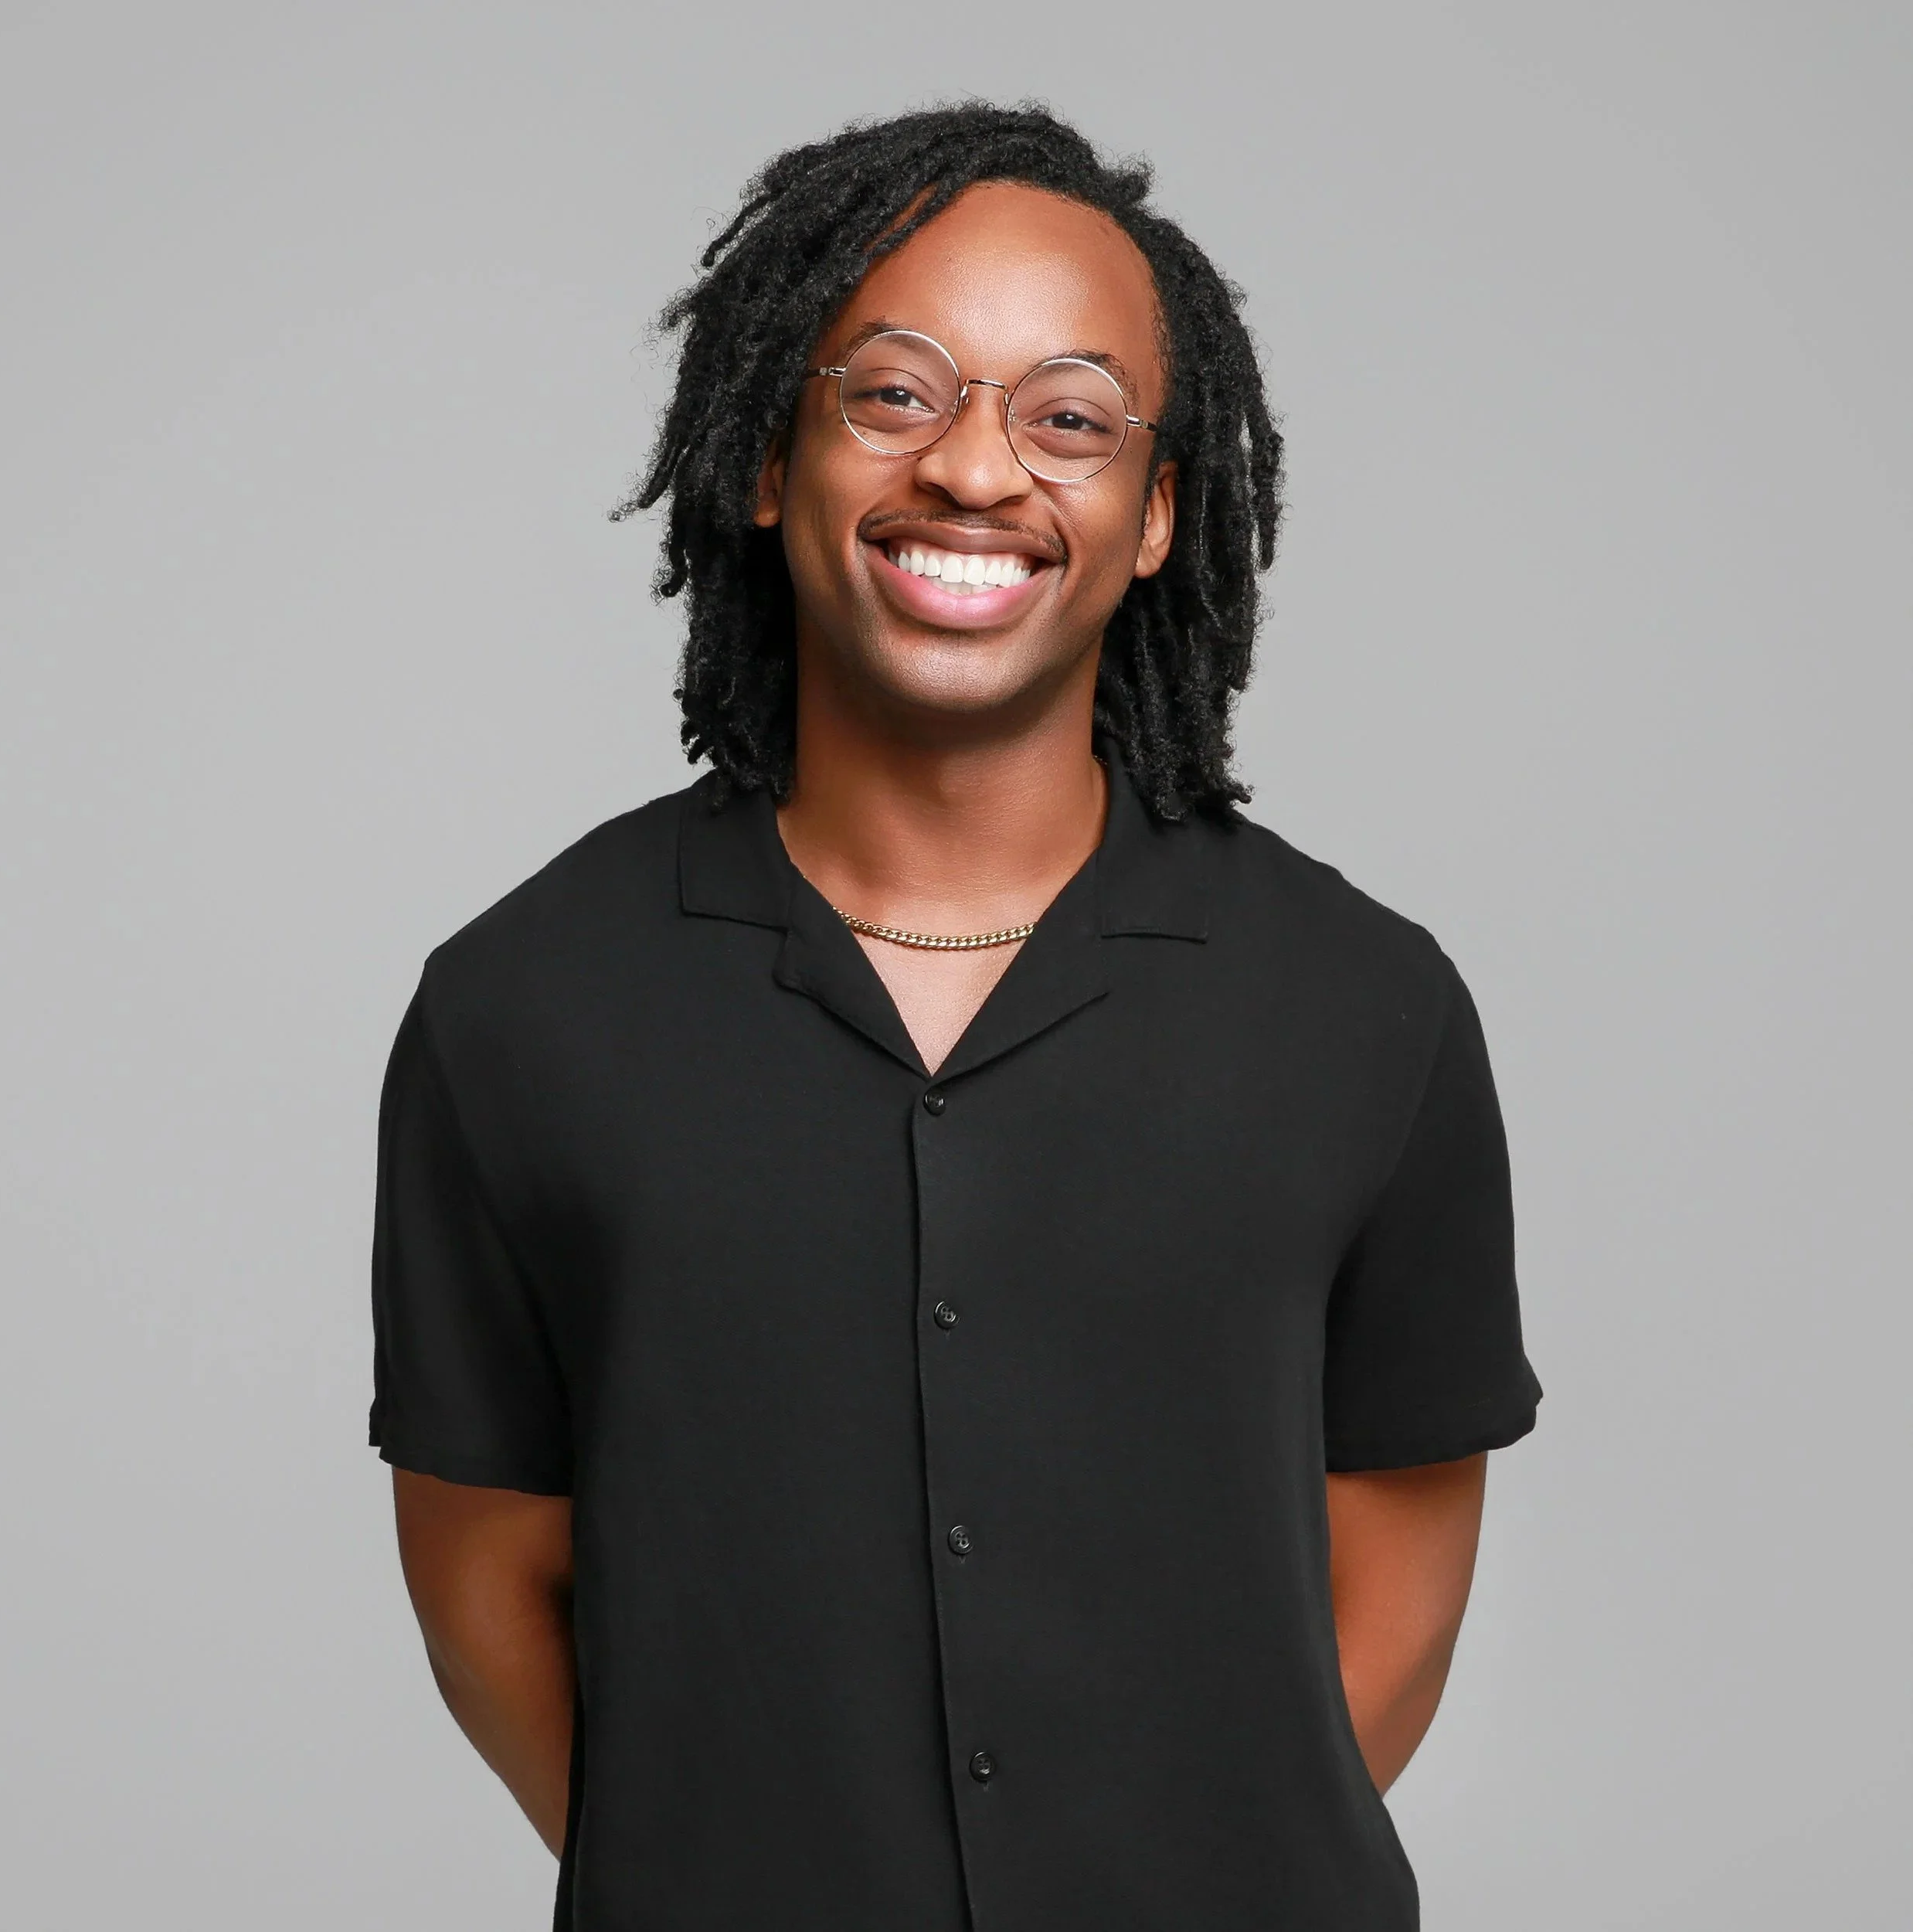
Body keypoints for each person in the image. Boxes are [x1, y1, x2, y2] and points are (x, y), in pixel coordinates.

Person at [370, 102, 1541, 1931]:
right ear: (768, 453)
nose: (979, 472)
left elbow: (1389, 1580)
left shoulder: (1365, 1008)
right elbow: (485, 1573)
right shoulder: (519, 1004)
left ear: (1156, 515)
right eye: (895, 392)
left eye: (1068, 416)